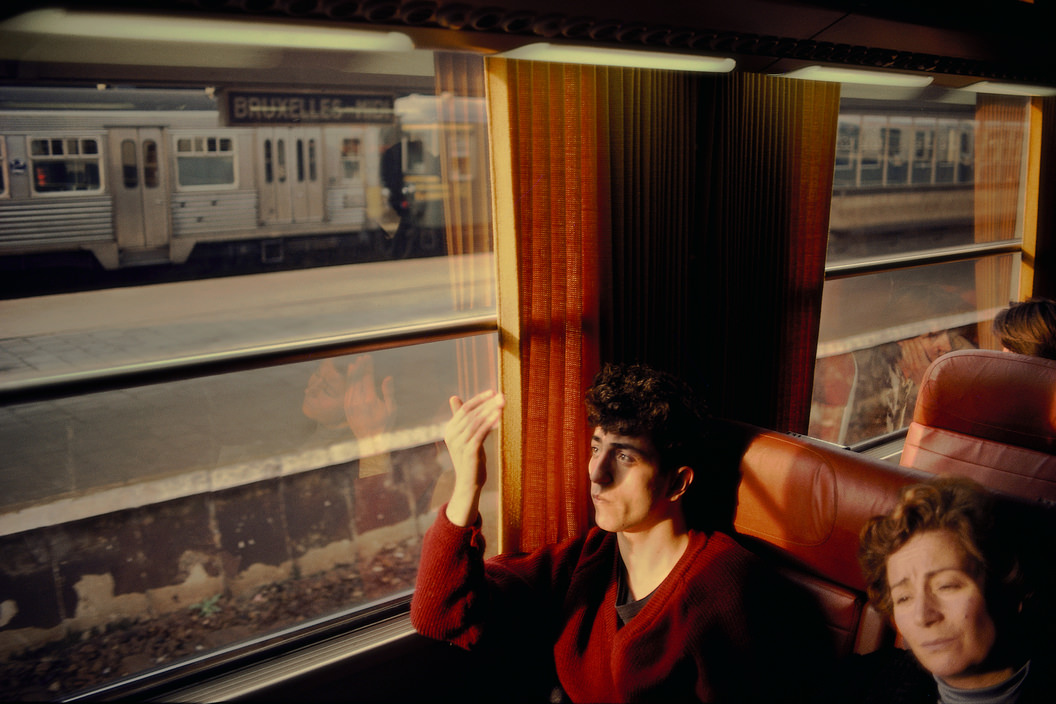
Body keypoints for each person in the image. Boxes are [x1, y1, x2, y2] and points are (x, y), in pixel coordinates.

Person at [411, 362, 834, 703]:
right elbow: (441, 615)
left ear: (677, 483)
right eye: (596, 447)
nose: (596, 472)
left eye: (625, 457)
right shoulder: (587, 560)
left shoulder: (725, 587)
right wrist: (467, 486)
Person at [826, 476, 1055, 703]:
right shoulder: (860, 682)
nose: (922, 616)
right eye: (904, 597)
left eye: (946, 586)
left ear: (1009, 591)